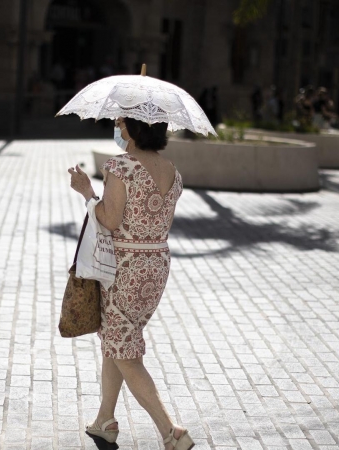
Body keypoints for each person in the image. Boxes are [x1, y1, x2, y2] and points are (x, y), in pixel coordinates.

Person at [66, 117, 193, 450]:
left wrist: (88, 193)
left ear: (134, 129)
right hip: (156, 265)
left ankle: (171, 432)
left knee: (124, 348)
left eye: (121, 121)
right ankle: (104, 421)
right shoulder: (172, 170)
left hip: (123, 267)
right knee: (118, 338)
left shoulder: (120, 167)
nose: (117, 126)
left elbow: (109, 219)